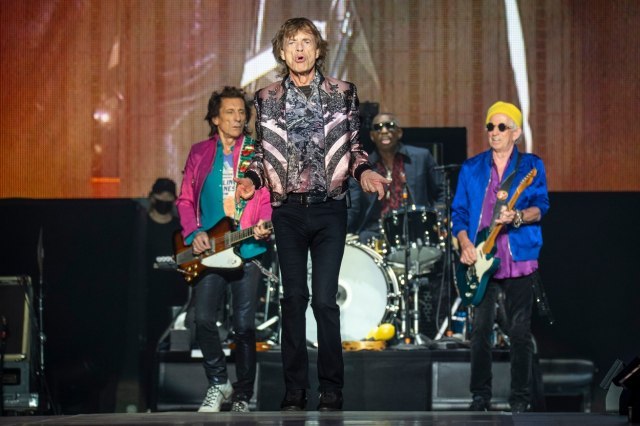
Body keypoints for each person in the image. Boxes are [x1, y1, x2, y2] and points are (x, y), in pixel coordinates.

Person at [235, 17, 390, 412]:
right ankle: (294, 391)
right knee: (293, 299)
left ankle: (331, 389)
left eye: (306, 41)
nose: (299, 49)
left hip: (329, 210)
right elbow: (261, 152)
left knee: (323, 301)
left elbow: (354, 149)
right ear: (281, 52)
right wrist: (251, 179)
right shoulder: (267, 97)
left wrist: (365, 172)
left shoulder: (342, 93)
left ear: (318, 50)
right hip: (287, 212)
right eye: (292, 43)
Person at [176, 86, 272, 413]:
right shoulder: (200, 152)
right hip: (211, 249)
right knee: (203, 319)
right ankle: (219, 382)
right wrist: (194, 233)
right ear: (215, 118)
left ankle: (243, 396)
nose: (237, 118)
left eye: (241, 112)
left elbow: (268, 196)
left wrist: (265, 221)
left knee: (244, 326)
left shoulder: (257, 152)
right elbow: (185, 199)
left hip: (248, 247)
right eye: (230, 112)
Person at [451, 101, 549, 413]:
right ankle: (480, 396)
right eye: (490, 126)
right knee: (480, 332)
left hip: (518, 257)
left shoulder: (530, 166)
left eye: (502, 127)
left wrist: (518, 216)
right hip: (481, 258)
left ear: (515, 133)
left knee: (519, 332)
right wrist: (465, 243)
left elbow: (541, 207)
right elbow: (459, 213)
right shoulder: (472, 168)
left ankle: (520, 398)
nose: (494, 132)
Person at [118, 177, 188, 412]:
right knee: (147, 351)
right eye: (161, 197)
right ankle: (148, 401)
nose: (164, 201)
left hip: (175, 299)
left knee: (173, 349)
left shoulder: (178, 228)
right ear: (152, 198)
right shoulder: (141, 228)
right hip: (147, 300)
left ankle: (169, 399)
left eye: (169, 198)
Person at [347, 112, 444, 246]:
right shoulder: (362, 168)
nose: (384, 131)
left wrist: (438, 219)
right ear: (372, 136)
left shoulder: (421, 157)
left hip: (416, 228)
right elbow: (353, 207)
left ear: (399, 132)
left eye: (390, 125)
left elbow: (441, 192)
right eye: (378, 127)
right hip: (375, 232)